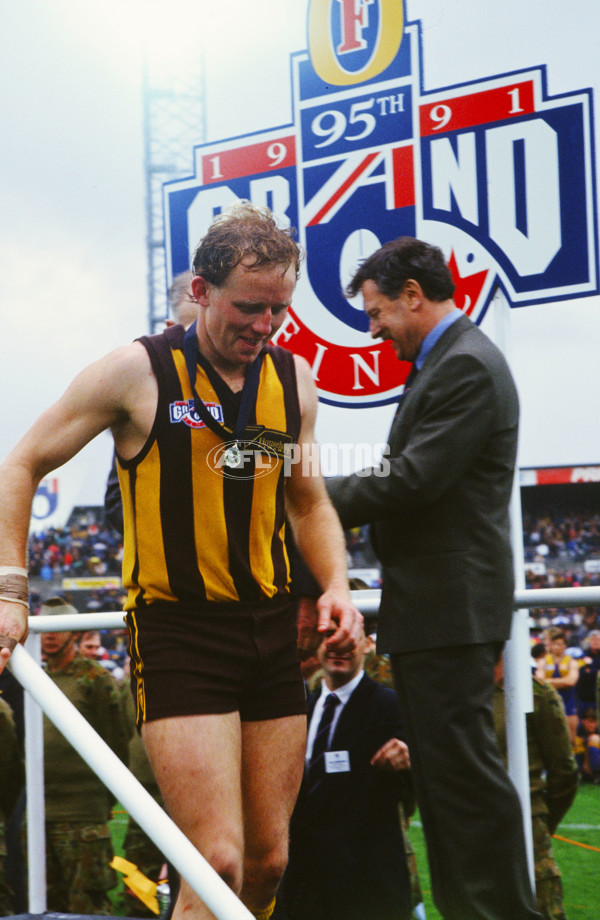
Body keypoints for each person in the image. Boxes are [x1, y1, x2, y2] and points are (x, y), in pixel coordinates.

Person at [0, 202, 362, 920]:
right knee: (214, 859)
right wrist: (11, 590)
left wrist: (338, 587)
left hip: (270, 629)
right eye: (248, 307)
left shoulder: (293, 379)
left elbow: (308, 502)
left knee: (268, 861)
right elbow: (22, 464)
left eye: (279, 310)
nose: (264, 326)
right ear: (201, 291)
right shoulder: (135, 372)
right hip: (179, 631)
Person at [326, 236, 542, 920]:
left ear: (414, 296)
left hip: (450, 611)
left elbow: (412, 478)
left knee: (462, 786)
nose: (373, 329)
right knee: (447, 789)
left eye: (376, 312)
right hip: (437, 611)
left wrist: (305, 495)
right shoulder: (450, 362)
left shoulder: (466, 364)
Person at [276, 627, 413, 920]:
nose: (339, 646)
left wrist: (410, 758)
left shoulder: (390, 706)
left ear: (366, 644)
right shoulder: (301, 710)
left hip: (368, 890)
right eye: (330, 637)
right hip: (306, 891)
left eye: (349, 638)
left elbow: (427, 776)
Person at [40, 596, 129, 913]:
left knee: (87, 908)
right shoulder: (34, 678)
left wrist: (102, 801)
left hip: (84, 816)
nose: (49, 635)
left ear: (75, 633)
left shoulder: (95, 679)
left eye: (57, 628)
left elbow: (117, 743)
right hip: (39, 816)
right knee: (42, 907)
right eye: (44, 628)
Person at [494, 657, 579, 920]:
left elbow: (564, 771)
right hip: (472, 834)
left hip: (528, 828)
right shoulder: (459, 691)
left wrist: (539, 820)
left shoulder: (534, 693)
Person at [542, 627, 580, 744]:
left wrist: (550, 682)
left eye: (560, 644)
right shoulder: (543, 661)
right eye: (555, 644)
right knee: (550, 740)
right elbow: (540, 681)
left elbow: (571, 681)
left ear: (565, 646)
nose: (557, 647)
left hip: (568, 703)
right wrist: (563, 682)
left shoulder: (571, 662)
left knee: (571, 740)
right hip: (549, 703)